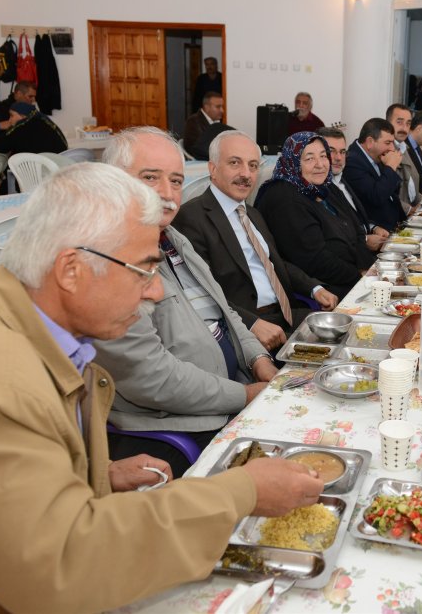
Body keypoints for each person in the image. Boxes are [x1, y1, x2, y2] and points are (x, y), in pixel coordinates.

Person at [0, 162, 323, 613]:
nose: (155, 293)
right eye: (144, 269)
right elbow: (61, 566)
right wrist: (242, 492)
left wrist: (93, 473)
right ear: (71, 269)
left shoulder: (26, 318)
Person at [97, 127, 281, 475]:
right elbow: (152, 379)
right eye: (150, 177)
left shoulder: (171, 238)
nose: (167, 194)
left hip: (234, 392)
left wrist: (259, 360)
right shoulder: (107, 261)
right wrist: (244, 395)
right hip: (180, 428)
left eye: (177, 181)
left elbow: (225, 312)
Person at [172, 130, 338, 351]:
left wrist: (314, 288)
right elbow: (201, 292)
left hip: (285, 314)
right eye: (235, 163)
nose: (246, 174)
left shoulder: (251, 213)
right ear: (213, 169)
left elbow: (274, 262)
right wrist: (251, 324)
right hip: (245, 328)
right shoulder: (190, 217)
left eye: (253, 165)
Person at [256, 132, 376, 298]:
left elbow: (357, 230)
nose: (320, 164)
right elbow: (314, 261)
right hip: (320, 290)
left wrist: (368, 268)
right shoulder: (284, 198)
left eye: (323, 156)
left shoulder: (324, 186)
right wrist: (359, 277)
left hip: (352, 277)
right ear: (293, 162)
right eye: (309, 158)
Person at [319, 125, 390, 253]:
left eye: (342, 152)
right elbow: (334, 234)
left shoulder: (341, 179)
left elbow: (354, 218)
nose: (338, 158)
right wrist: (365, 240)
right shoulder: (319, 188)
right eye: (331, 151)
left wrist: (373, 227)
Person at [342, 117, 405, 232]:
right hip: (377, 232)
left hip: (395, 227)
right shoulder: (352, 162)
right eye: (388, 143)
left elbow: (392, 193)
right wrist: (390, 167)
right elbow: (377, 196)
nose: (392, 148)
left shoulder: (377, 156)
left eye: (392, 142)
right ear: (370, 142)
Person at [0, 101, 68, 155]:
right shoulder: (45, 120)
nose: (9, 120)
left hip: (34, 174)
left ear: (23, 116)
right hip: (59, 170)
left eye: (12, 115)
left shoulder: (22, 125)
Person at [387, 104, 420, 215]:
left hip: (410, 211)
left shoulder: (404, 147)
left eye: (408, 123)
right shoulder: (385, 150)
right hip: (396, 216)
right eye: (399, 122)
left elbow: (411, 188)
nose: (404, 128)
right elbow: (387, 195)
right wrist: (410, 210)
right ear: (388, 123)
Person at [183, 90, 224, 160]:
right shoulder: (193, 122)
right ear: (207, 107)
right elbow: (196, 149)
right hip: (201, 161)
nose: (222, 110)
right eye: (218, 107)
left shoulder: (217, 121)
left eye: (222, 107)